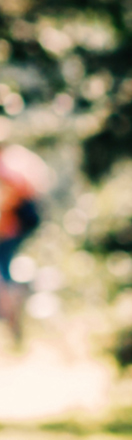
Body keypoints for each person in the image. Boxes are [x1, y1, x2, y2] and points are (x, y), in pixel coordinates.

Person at [0, 144, 48, 355]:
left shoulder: (7, 167)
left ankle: (12, 319)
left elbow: (10, 199)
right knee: (5, 272)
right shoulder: (15, 158)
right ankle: (13, 322)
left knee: (3, 274)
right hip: (17, 225)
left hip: (12, 227)